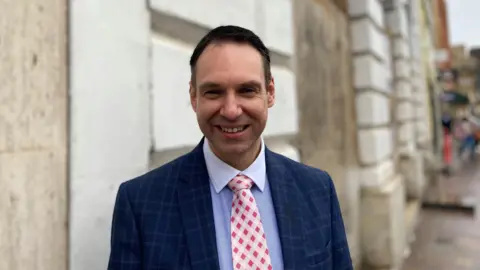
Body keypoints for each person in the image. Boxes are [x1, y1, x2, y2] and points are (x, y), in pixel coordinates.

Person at [108, 25, 352, 270]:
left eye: (247, 90)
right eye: (214, 92)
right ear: (194, 97)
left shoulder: (317, 190)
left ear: (270, 92)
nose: (231, 110)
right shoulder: (141, 204)